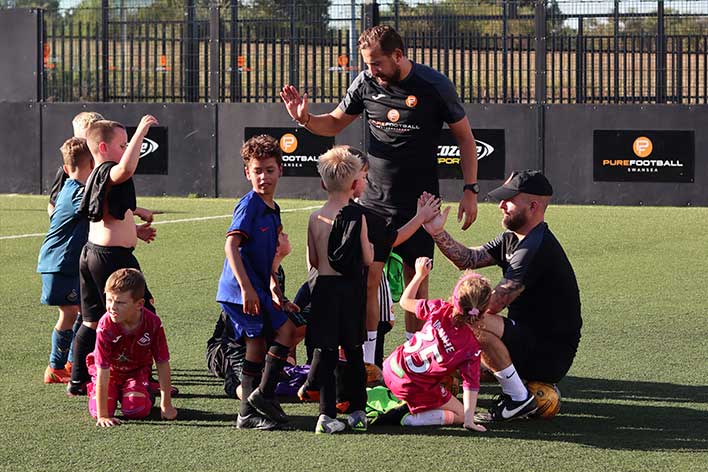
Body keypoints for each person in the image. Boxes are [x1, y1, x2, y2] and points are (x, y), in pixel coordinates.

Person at [281, 25, 480, 342]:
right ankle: (369, 354)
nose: (370, 70)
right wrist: (305, 119)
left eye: (376, 63)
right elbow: (335, 120)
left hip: (420, 201)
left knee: (418, 275)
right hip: (373, 201)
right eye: (367, 64)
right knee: (369, 275)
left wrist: (470, 190)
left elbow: (466, 140)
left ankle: (413, 353)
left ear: (398, 55)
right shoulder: (365, 83)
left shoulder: (434, 85)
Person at [421, 170, 582, 421]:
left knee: (475, 322)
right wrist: (437, 232)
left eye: (509, 200)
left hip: (549, 353)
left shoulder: (535, 248)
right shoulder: (513, 237)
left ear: (533, 206)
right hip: (523, 337)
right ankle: (512, 388)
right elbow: (469, 259)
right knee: (458, 353)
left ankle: (519, 399)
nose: (501, 206)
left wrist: (445, 315)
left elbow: (493, 305)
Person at [67, 116, 160, 396]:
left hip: (94, 254)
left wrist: (136, 232)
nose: (128, 147)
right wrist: (141, 131)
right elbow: (126, 169)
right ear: (105, 148)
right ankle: (143, 375)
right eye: (123, 144)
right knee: (144, 314)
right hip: (112, 259)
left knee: (91, 320)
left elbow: (109, 215)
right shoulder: (109, 169)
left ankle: (78, 379)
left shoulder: (97, 171)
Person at [216, 134, 295, 430]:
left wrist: (276, 290)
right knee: (278, 334)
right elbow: (231, 246)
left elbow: (268, 259)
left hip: (256, 288)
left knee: (261, 341)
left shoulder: (273, 210)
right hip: (239, 290)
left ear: (280, 170)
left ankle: (250, 409)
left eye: (269, 170)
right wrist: (248, 289)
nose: (263, 177)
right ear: (247, 172)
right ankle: (259, 399)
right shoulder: (249, 205)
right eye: (257, 171)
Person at [348, 147, 440, 364]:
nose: (367, 181)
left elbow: (312, 259)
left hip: (332, 294)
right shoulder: (365, 216)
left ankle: (364, 362)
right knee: (373, 299)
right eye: (364, 177)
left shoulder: (321, 215)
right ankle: (369, 362)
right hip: (352, 299)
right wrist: (421, 218)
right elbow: (392, 239)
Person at [305, 146, 373, 434]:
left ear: (323, 183)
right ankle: (358, 411)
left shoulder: (314, 218)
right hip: (350, 290)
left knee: (328, 352)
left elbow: (313, 261)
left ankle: (326, 414)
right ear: (355, 184)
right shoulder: (358, 216)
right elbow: (368, 258)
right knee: (354, 352)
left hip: (324, 289)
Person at [382, 257, 488, 431]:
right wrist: (468, 421)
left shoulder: (439, 308)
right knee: (459, 414)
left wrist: (419, 275)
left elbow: (404, 301)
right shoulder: (471, 347)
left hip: (391, 367)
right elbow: (471, 385)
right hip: (410, 386)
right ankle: (410, 417)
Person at [87, 268, 177, 427]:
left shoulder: (153, 323)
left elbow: (162, 363)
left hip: (136, 372)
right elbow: (103, 369)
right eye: (109, 300)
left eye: (120, 302)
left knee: (136, 411)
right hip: (111, 373)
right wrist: (102, 416)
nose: (112, 307)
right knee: (98, 411)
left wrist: (166, 404)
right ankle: (99, 391)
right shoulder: (105, 326)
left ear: (139, 304)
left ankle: (144, 390)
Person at [36, 137, 94, 383]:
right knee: (72, 312)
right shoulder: (76, 192)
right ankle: (56, 367)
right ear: (92, 163)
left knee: (82, 311)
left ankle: (72, 361)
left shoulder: (73, 189)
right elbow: (99, 206)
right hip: (59, 264)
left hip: (67, 263)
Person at [47, 112, 105, 216]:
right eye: (81, 140)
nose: (85, 145)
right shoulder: (70, 170)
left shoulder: (109, 167)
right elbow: (53, 205)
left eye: (90, 140)